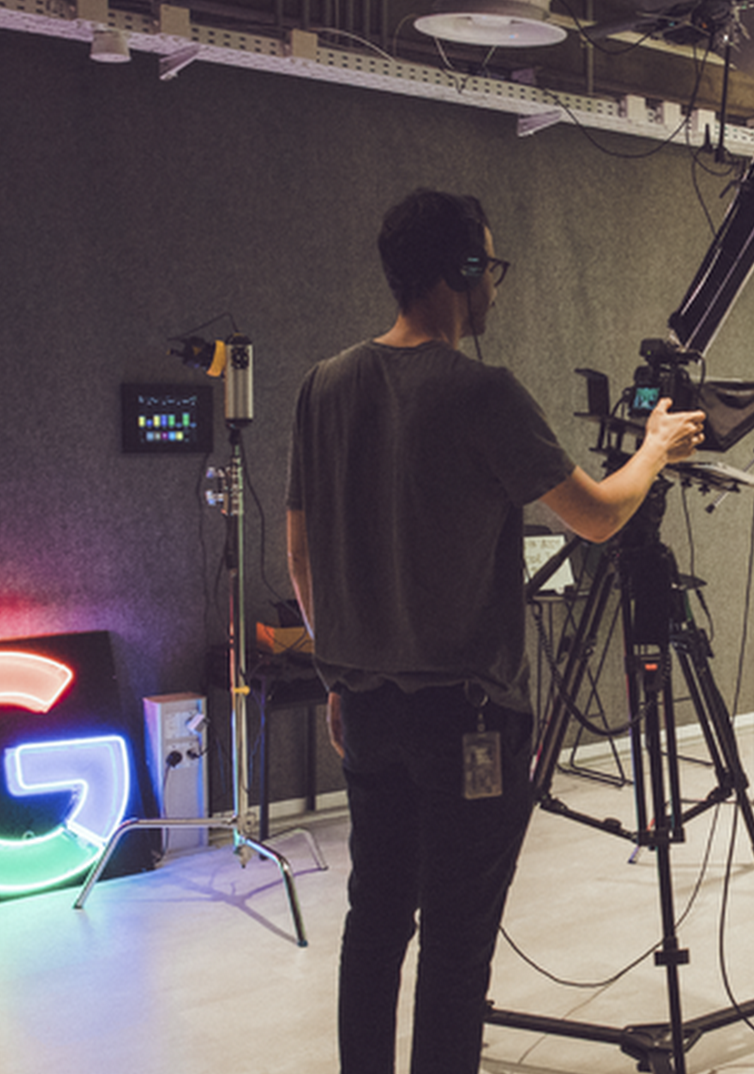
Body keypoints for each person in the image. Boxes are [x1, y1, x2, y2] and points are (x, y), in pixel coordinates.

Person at [285, 189, 706, 1074]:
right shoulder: (482, 393)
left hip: (362, 709)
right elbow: (596, 517)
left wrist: (336, 667)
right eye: (490, 266)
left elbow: (301, 551)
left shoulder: (322, 384)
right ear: (462, 273)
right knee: (455, 942)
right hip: (466, 723)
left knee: (375, 919)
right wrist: (655, 448)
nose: (495, 288)